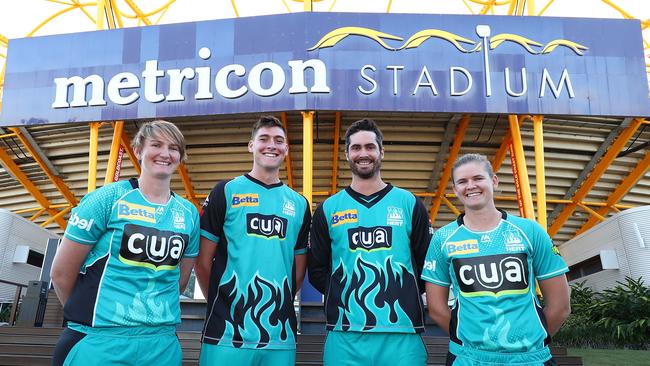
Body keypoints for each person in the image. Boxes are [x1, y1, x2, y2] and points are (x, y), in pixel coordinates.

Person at [50, 120, 200, 366]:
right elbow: (61, 273)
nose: (165, 153)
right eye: (156, 145)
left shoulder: (188, 213)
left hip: (161, 345)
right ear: (139, 150)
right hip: (98, 341)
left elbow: (179, 280)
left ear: (180, 157)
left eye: (173, 148)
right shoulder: (107, 199)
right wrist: (89, 317)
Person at [422, 153, 571, 366]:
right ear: (455, 190)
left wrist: (530, 343)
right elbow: (437, 308)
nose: (470, 186)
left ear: (494, 180)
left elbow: (560, 306)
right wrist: (469, 341)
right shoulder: (443, 239)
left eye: (478, 178)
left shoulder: (529, 231)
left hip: (531, 358)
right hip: (468, 358)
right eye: (462, 182)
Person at [308, 118, 432, 366]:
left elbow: (427, 266)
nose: (363, 153)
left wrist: (398, 293)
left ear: (381, 152)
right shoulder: (328, 209)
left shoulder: (409, 204)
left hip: (402, 333)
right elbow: (317, 270)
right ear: (347, 154)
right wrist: (346, 296)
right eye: (356, 148)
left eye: (369, 147)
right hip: (345, 334)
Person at [195, 116, 311, 366]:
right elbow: (202, 262)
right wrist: (221, 300)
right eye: (264, 139)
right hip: (225, 332)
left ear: (287, 150)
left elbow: (298, 270)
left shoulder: (299, 204)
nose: (272, 145)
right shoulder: (225, 191)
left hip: (279, 334)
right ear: (251, 146)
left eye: (279, 140)